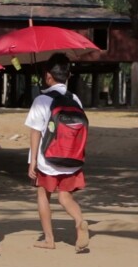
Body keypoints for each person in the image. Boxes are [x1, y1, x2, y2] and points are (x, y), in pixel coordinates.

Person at [25, 53, 90, 251]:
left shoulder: (42, 100)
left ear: (48, 76)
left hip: (48, 159)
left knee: (43, 194)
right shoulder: (75, 99)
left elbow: (35, 132)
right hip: (72, 158)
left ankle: (49, 239)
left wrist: (33, 160)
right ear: (68, 76)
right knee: (65, 197)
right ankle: (79, 220)